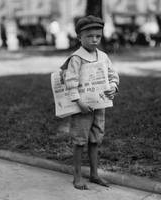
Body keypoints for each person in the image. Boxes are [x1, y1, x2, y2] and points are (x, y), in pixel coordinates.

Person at [61, 15, 119, 190]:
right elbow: (70, 82)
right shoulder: (76, 58)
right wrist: (78, 101)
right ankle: (77, 176)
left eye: (98, 36)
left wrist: (114, 87)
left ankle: (94, 174)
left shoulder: (103, 56)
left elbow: (112, 75)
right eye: (89, 36)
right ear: (79, 37)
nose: (94, 40)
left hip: (99, 105)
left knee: (95, 139)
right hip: (82, 108)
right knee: (80, 140)